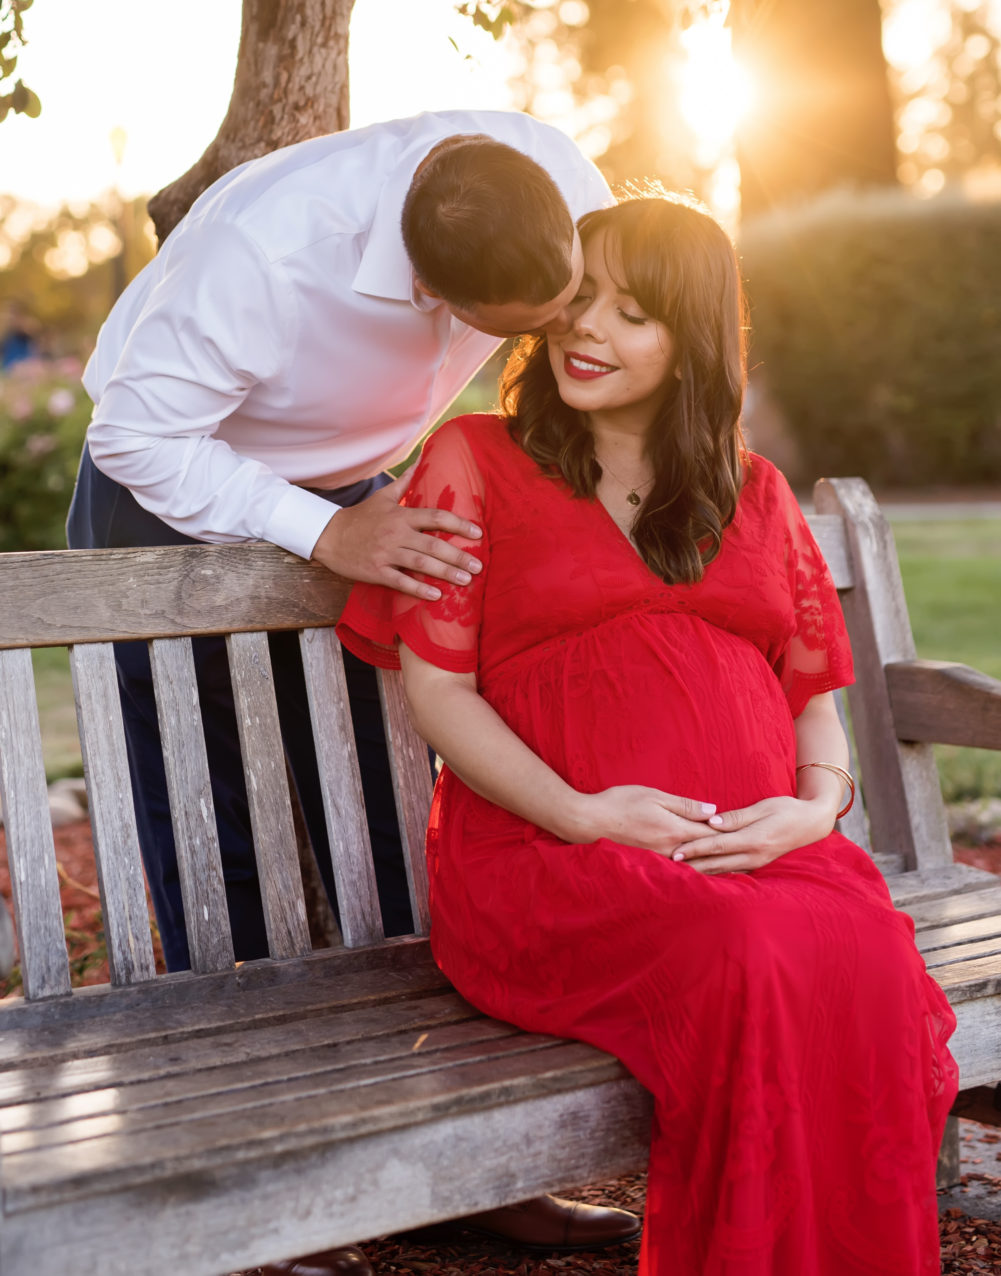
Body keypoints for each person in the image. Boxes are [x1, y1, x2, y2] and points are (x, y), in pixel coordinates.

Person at [337, 193, 958, 1275]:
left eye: (632, 312)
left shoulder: (750, 494)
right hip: (548, 859)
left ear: (691, 339)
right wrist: (586, 814)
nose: (586, 330)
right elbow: (437, 697)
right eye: (578, 300)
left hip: (758, 853)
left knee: (863, 958)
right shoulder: (473, 464)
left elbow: (813, 695)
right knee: (749, 955)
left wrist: (812, 809)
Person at [67, 110, 639, 1276]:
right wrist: (324, 533)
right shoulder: (270, 252)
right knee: (213, 842)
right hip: (184, 486)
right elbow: (135, 434)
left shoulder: (553, 183)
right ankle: (240, 1197)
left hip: (359, 491)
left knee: (393, 821)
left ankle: (449, 1178)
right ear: (430, 288)